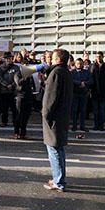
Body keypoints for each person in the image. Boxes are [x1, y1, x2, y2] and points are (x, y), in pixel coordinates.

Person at [42, 49, 73, 192]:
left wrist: (45, 114)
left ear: (59, 59)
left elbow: (51, 97)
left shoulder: (56, 73)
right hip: (62, 115)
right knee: (59, 149)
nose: (50, 60)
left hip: (54, 117)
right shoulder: (66, 72)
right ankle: (59, 178)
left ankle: (59, 182)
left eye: (52, 58)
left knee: (53, 149)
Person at [90, 52, 105, 131]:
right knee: (95, 110)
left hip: (103, 91)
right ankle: (95, 125)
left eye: (100, 56)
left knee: (102, 110)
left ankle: (101, 126)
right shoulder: (93, 66)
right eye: (97, 56)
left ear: (102, 57)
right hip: (94, 90)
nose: (98, 58)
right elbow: (90, 77)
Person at [0, 52, 21, 127]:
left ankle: (15, 122)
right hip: (4, 90)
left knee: (14, 108)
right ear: (4, 59)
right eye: (7, 59)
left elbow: (18, 77)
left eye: (10, 58)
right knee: (4, 108)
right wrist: (6, 84)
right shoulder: (1, 67)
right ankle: (4, 121)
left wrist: (13, 85)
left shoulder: (16, 67)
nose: (8, 60)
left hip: (14, 90)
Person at [70, 58, 92, 132]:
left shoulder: (87, 72)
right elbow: (71, 80)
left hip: (84, 94)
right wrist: (79, 83)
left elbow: (91, 81)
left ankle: (82, 126)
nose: (79, 65)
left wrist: (84, 83)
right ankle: (74, 126)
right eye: (78, 63)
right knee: (74, 110)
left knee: (83, 111)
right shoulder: (72, 72)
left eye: (81, 63)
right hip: (75, 93)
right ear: (75, 64)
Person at [13, 62, 34, 139]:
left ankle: (23, 133)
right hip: (20, 97)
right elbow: (18, 83)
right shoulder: (17, 74)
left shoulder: (29, 76)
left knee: (26, 116)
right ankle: (16, 132)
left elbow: (32, 85)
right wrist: (25, 77)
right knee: (19, 115)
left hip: (28, 97)